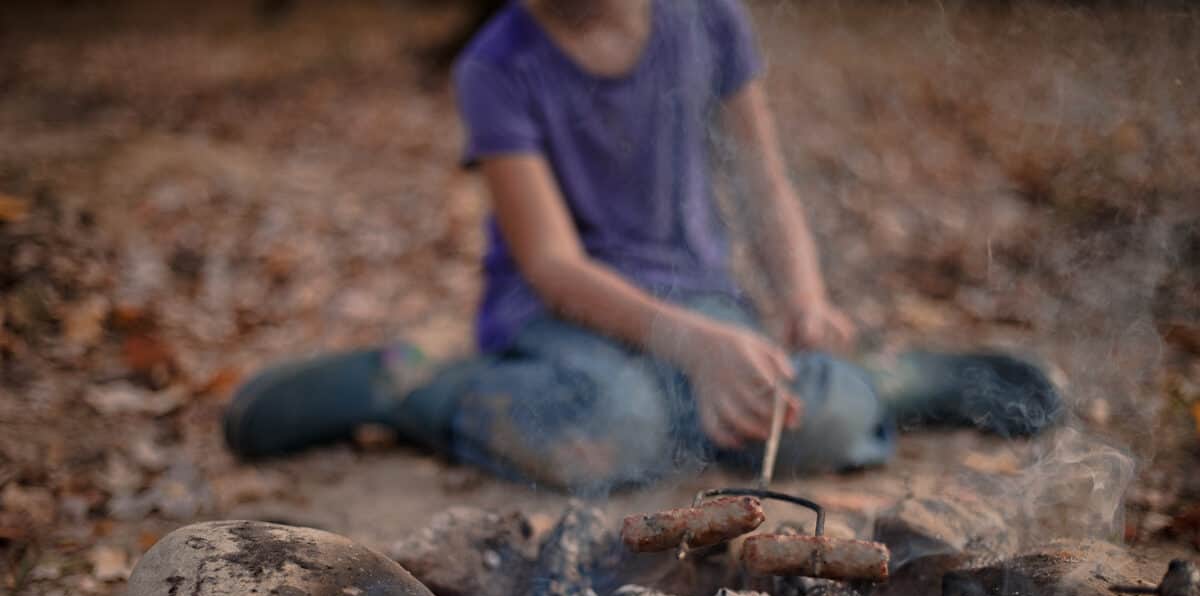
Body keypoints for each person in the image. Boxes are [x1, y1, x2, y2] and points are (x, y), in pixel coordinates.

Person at [223, 0, 1061, 493]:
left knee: (817, 425)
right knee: (607, 434)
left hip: (696, 298)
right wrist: (692, 350)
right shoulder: (496, 64)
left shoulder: (705, 18)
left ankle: (883, 378)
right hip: (560, 314)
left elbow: (764, 187)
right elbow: (551, 265)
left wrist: (803, 296)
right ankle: (406, 384)